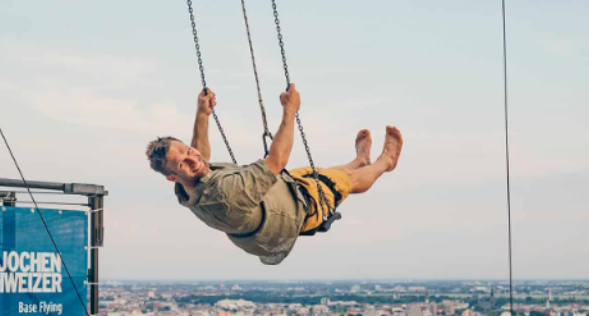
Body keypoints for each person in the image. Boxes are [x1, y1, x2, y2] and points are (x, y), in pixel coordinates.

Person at [146, 85, 403, 265]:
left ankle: (359, 160)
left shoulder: (188, 186)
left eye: (187, 150)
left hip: (278, 195)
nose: (193, 158)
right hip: (296, 212)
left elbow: (199, 155)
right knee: (347, 182)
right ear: (172, 177)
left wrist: (202, 114)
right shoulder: (225, 195)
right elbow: (277, 160)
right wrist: (290, 111)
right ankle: (385, 162)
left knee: (323, 173)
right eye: (182, 163)